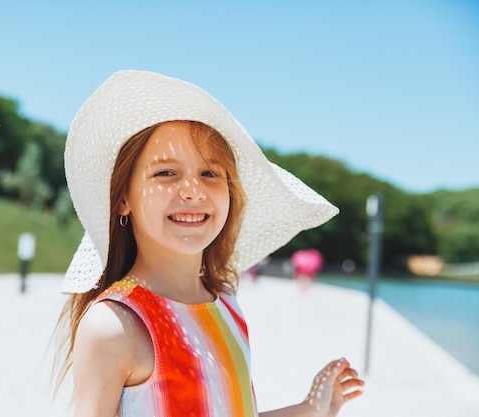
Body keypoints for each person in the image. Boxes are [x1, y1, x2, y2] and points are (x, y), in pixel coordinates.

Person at [52, 70, 364, 416]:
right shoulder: (115, 325)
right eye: (166, 173)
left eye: (209, 173)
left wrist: (311, 408)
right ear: (123, 198)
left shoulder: (226, 303)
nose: (193, 190)